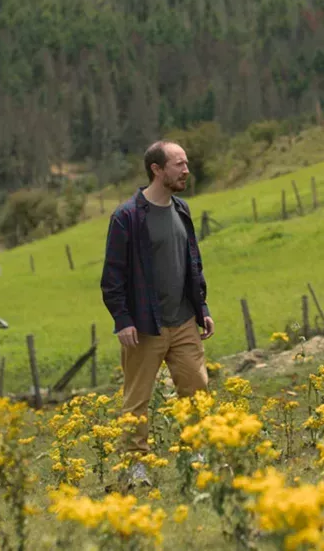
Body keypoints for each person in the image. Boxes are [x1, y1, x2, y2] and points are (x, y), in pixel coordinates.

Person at [100, 140, 215, 490]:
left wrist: (202, 308)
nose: (186, 170)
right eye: (178, 164)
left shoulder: (182, 210)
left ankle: (197, 459)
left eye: (186, 163)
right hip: (144, 327)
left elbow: (192, 264)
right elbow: (112, 276)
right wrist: (122, 320)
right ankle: (136, 469)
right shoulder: (127, 217)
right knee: (137, 401)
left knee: (197, 390)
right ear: (157, 169)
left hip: (183, 323)